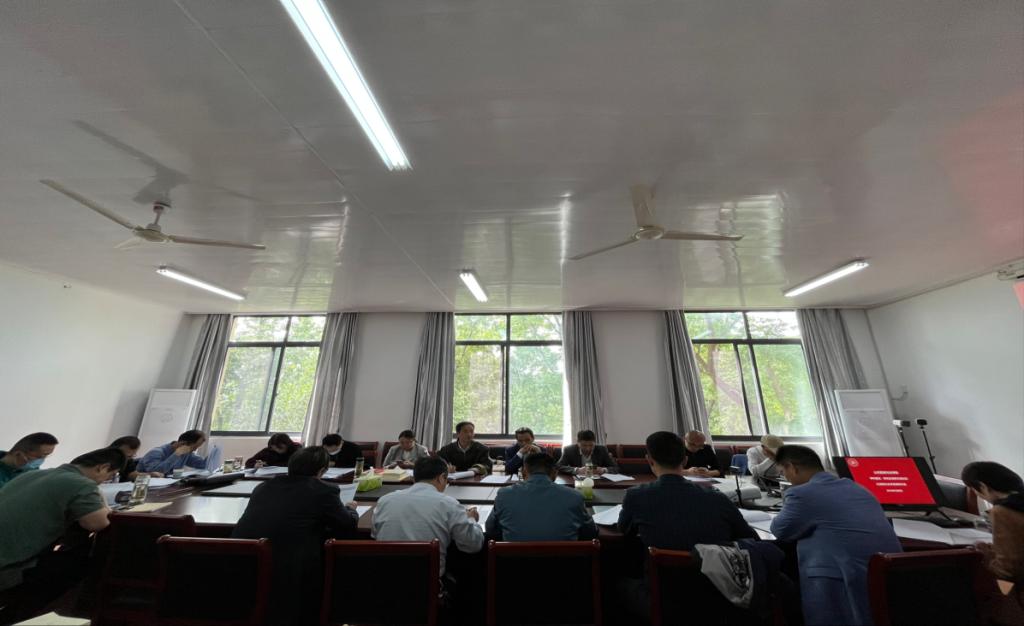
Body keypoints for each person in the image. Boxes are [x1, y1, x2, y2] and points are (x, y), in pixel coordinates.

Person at [770, 445, 901, 626]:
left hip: (843, 581)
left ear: (792, 467)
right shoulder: (858, 488)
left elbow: (780, 530)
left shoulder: (802, 494)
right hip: (886, 578)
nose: (786, 478)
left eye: (783, 472)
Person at [232, 446, 359, 626]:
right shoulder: (323, 490)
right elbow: (346, 525)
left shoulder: (264, 486)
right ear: (322, 471)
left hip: (245, 562)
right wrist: (351, 510)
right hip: (290, 568)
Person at [0, 447, 125, 624]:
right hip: (8, 567)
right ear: (102, 468)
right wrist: (100, 495)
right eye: (110, 475)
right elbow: (98, 523)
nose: (106, 480)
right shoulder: (81, 484)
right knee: (82, 564)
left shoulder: (31, 475)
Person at [618, 431, 755, 550]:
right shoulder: (718, 498)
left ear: (649, 461)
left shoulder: (635, 496)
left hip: (660, 571)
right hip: (712, 571)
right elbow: (750, 536)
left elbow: (624, 529)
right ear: (684, 461)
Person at [372, 456, 484, 576]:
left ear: (414, 478)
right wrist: (471, 518)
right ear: (441, 478)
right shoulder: (448, 504)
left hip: (384, 580)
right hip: (428, 582)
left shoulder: (384, 501)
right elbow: (473, 545)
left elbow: (375, 534)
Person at [961, 461, 1024, 625]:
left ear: (982, 486)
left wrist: (987, 555)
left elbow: (1008, 568)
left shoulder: (1004, 511)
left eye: (975, 490)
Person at [487, 452, 597, 541]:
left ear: (524, 473)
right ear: (555, 473)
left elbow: (490, 529)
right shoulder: (574, 496)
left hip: (512, 560)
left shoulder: (504, 495)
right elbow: (590, 532)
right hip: (564, 560)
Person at [136, 429, 208, 475]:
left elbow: (203, 465)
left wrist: (213, 454)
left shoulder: (186, 454)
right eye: (194, 447)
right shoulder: (156, 453)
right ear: (183, 444)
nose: (194, 450)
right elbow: (157, 473)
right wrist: (176, 454)